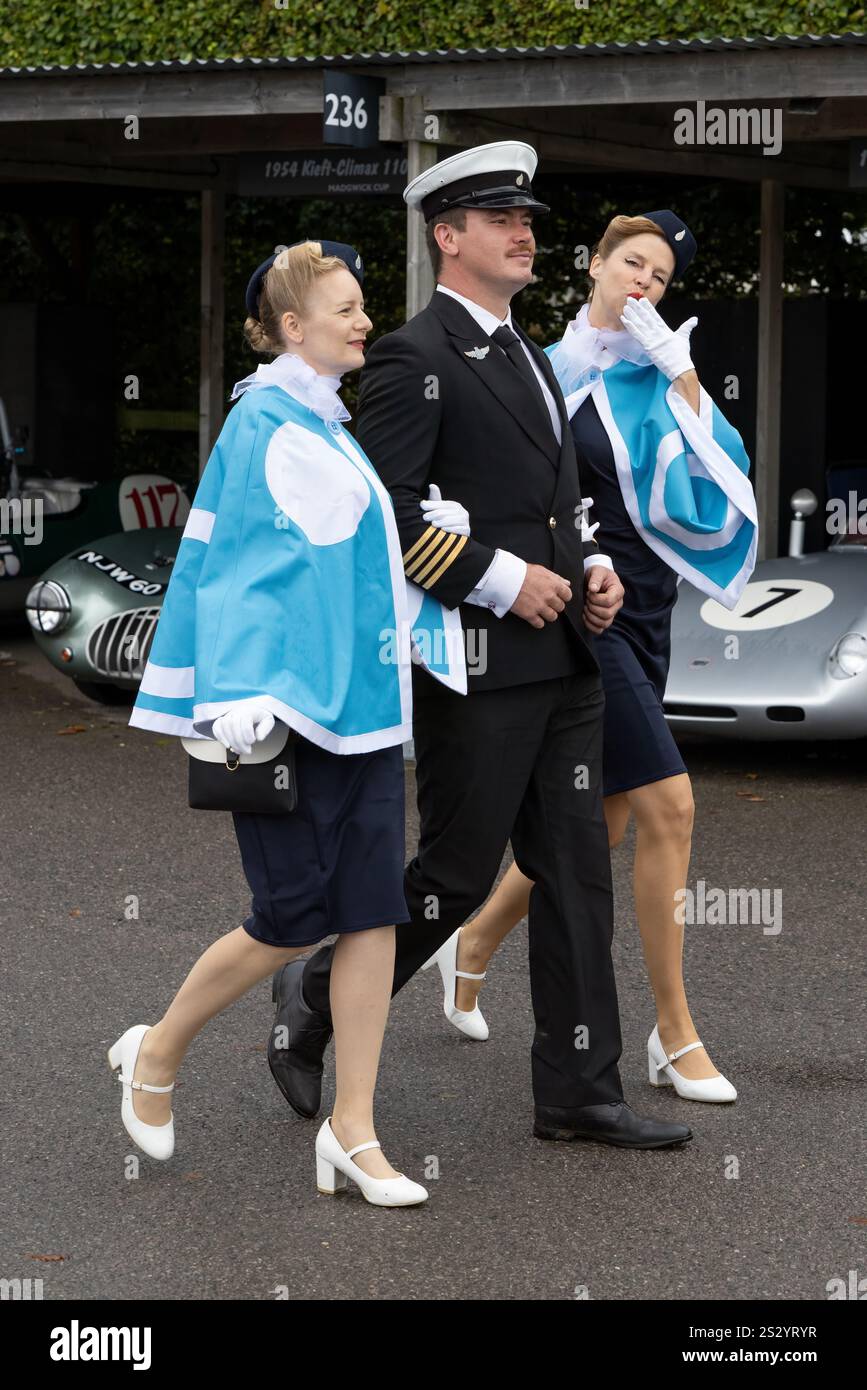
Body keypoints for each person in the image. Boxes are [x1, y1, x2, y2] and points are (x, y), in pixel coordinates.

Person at [268, 143, 694, 1151]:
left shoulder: (531, 357)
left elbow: (560, 499)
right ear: (448, 236)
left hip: (566, 662)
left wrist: (589, 563)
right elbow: (388, 517)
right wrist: (508, 580)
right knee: (456, 875)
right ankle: (314, 990)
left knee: (577, 866)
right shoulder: (415, 357)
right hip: (480, 665)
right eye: (502, 218)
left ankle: (579, 1088)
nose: (525, 232)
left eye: (530, 219)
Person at [109, 239, 469, 1207]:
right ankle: (158, 1046)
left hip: (355, 713)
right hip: (279, 717)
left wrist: (428, 538)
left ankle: (354, 1130)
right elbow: (231, 569)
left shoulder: (325, 421)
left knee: (371, 917)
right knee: (291, 917)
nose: (364, 321)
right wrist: (233, 689)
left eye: (362, 306)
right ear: (292, 327)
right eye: (346, 308)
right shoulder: (265, 421)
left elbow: (336, 563)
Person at [424, 211, 757, 1103]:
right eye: (631, 263)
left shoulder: (662, 374)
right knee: (669, 809)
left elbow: (722, 475)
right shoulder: (545, 367)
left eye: (659, 274)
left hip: (649, 607)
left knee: (598, 822)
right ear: (596, 266)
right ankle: (673, 1031)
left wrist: (679, 369)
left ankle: (478, 939)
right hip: (578, 611)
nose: (644, 282)